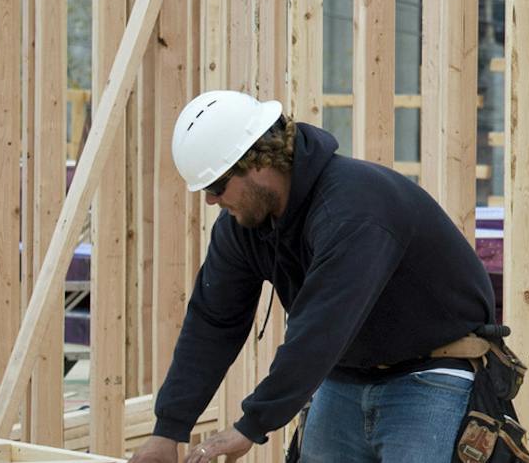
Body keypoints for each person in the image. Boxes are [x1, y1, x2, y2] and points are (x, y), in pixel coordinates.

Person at [131, 91, 498, 463]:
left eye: (215, 186)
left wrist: (251, 425)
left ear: (256, 162)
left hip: (429, 375)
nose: (211, 201)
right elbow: (213, 322)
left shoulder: (354, 208)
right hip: (346, 376)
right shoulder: (243, 226)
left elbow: (322, 326)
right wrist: (168, 430)